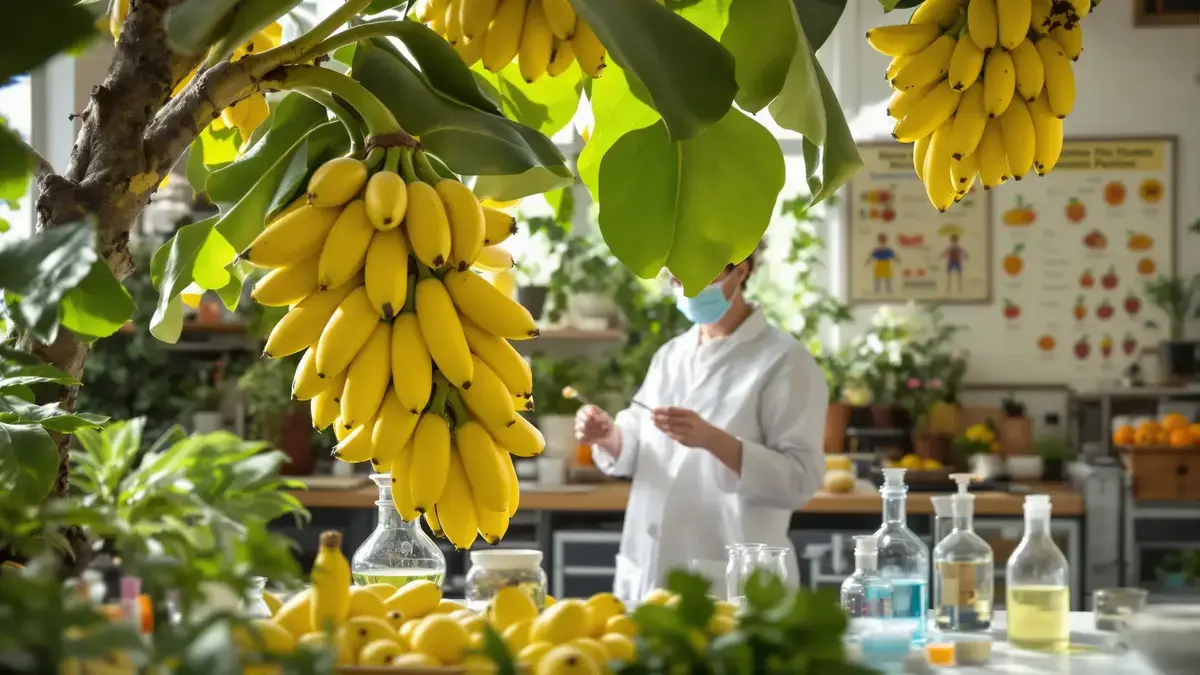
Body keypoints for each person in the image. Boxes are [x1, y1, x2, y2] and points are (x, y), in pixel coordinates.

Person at [574, 248, 828, 605]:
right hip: (648, 572)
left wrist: (712, 440)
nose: (685, 290)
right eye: (675, 280)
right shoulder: (671, 355)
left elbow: (800, 479)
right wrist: (609, 437)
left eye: (695, 278)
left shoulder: (785, 361)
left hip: (732, 577)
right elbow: (637, 445)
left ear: (740, 272)